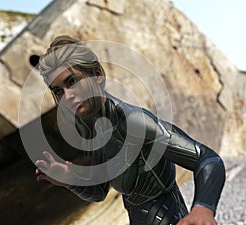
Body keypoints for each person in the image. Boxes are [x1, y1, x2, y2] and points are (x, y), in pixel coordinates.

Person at [34, 35, 225, 225]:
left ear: (98, 75)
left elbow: (207, 159)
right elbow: (99, 192)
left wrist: (202, 209)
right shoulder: (96, 128)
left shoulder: (134, 122)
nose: (68, 95)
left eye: (72, 81)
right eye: (58, 91)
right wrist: (70, 178)